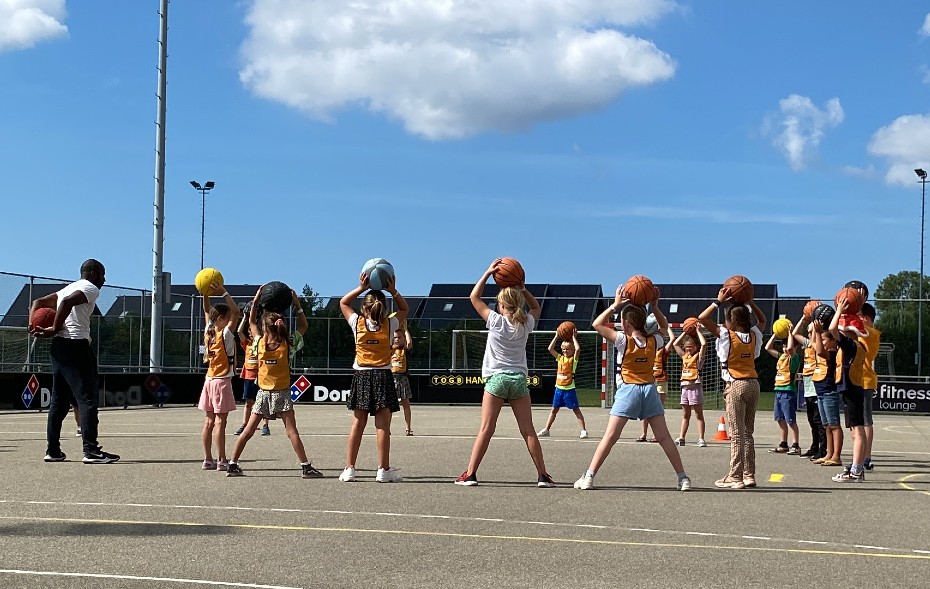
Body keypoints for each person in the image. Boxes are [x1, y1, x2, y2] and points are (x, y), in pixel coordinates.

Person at [573, 286, 691, 491]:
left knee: (610, 437)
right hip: (650, 390)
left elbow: (596, 324)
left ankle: (589, 476)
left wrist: (615, 305)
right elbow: (665, 329)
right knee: (664, 437)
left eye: (621, 321)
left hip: (629, 390)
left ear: (626, 323)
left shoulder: (622, 340)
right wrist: (655, 307)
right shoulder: (654, 341)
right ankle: (683, 478)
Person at [455, 259, 554, 488]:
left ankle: (470, 474)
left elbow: (474, 298)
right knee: (528, 430)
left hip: (496, 379)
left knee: (486, 429)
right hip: (518, 379)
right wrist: (523, 288)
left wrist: (487, 273)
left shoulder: (496, 322)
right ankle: (542, 475)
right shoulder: (526, 322)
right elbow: (537, 307)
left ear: (500, 306)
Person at [29, 259, 119, 464]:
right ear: (94, 273)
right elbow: (69, 302)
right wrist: (52, 328)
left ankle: (53, 450)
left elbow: (38, 303)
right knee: (87, 399)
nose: (104, 279)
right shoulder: (89, 288)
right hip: (76, 346)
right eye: (103, 274)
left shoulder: (69, 287)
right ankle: (91, 451)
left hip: (59, 347)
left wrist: (32, 326)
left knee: (58, 401)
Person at [227, 287, 322, 479]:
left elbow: (251, 321)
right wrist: (297, 305)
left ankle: (233, 463)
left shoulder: (258, 342)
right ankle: (305, 467)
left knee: (248, 430)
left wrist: (256, 299)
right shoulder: (288, 344)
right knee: (292, 431)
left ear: (264, 327)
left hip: (263, 393)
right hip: (282, 393)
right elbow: (304, 326)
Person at [338, 273, 409, 483]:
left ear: (364, 308)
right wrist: (393, 290)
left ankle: (349, 468)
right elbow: (405, 309)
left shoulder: (357, 323)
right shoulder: (389, 325)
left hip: (361, 375)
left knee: (357, 425)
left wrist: (360, 287)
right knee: (383, 427)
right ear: (384, 308)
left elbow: (343, 302)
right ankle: (383, 470)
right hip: (382, 375)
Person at [698, 288, 766, 490]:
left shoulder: (727, 335)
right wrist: (751, 303)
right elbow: (762, 321)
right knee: (748, 433)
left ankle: (735, 476)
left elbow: (702, 318)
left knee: (736, 434)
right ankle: (749, 475)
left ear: (732, 321)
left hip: (735, 384)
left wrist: (718, 302)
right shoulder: (753, 334)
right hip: (754, 383)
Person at [828, 295, 870, 482]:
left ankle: (856, 471)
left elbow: (831, 329)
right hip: (851, 389)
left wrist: (838, 310)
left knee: (858, 431)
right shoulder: (857, 345)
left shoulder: (851, 345)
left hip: (852, 389)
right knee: (854, 431)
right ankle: (855, 467)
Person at [197, 287, 239, 471]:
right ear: (222, 318)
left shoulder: (209, 331)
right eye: (227, 316)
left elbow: (207, 310)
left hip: (209, 380)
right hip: (222, 381)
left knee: (208, 421)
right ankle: (222, 459)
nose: (231, 318)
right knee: (220, 422)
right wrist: (222, 292)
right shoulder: (225, 334)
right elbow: (236, 310)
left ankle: (208, 459)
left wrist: (205, 293)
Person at [537, 329, 588, 439]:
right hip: (558, 389)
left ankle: (583, 430)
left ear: (572, 350)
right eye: (564, 349)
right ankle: (546, 429)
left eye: (568, 349)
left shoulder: (573, 360)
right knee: (554, 410)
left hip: (569, 389)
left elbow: (578, 349)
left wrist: (574, 337)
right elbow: (550, 349)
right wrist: (556, 336)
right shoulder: (560, 358)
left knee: (576, 410)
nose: (565, 351)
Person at [234, 303, 271, 437]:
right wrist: (245, 317)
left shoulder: (262, 342)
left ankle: (265, 425)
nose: (251, 332)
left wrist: (261, 316)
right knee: (249, 402)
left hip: (261, 376)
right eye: (249, 331)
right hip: (249, 376)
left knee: (263, 402)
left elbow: (265, 330)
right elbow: (239, 332)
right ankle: (245, 424)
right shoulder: (247, 344)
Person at [792, 320, 827, 459]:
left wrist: (816, 329)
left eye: (811, 331)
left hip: (815, 383)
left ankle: (823, 449)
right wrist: (803, 317)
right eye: (808, 332)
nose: (809, 334)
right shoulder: (807, 345)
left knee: (819, 420)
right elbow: (794, 333)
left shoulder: (818, 344)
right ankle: (814, 446)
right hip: (807, 385)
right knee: (812, 420)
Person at [811, 320, 843, 467]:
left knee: (834, 425)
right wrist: (813, 329)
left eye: (824, 339)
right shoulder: (822, 347)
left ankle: (836, 456)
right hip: (821, 392)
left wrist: (818, 332)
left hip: (829, 392)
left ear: (833, 341)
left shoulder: (832, 352)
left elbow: (819, 351)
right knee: (827, 426)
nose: (821, 342)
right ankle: (828, 454)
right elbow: (813, 344)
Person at [636, 322, 674, 443]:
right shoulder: (647, 347)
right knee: (645, 409)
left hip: (661, 382)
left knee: (657, 410)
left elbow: (672, 339)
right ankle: (643, 434)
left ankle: (656, 435)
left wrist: (666, 327)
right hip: (649, 381)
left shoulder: (663, 351)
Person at [765, 330, 801, 455]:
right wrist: (775, 334)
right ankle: (783, 443)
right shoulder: (782, 356)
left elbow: (791, 348)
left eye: (788, 346)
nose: (786, 348)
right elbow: (767, 347)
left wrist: (790, 333)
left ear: (796, 347)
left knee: (790, 420)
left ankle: (795, 444)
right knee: (780, 419)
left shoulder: (794, 358)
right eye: (784, 346)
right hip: (779, 391)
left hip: (788, 391)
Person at [673, 329, 707, 447]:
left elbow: (703, 344)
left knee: (698, 414)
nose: (688, 349)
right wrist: (685, 332)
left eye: (691, 346)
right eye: (686, 347)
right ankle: (682, 437)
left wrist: (697, 331)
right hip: (685, 388)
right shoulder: (684, 356)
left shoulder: (698, 357)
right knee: (685, 415)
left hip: (695, 387)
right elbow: (675, 344)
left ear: (695, 347)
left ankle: (701, 439)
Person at [858, 303, 881, 471]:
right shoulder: (864, 332)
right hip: (858, 380)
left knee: (866, 421)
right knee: (860, 421)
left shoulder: (869, 333)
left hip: (864, 380)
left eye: (858, 316)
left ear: (865, 319)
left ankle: (866, 457)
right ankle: (863, 457)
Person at [391, 322, 415, 436]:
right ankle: (387, 428)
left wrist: (405, 329)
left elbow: (409, 343)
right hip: (391, 378)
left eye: (399, 337)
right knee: (389, 405)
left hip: (402, 378)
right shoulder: (389, 349)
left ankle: (408, 428)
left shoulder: (404, 349)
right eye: (395, 337)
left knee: (406, 404)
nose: (397, 339)